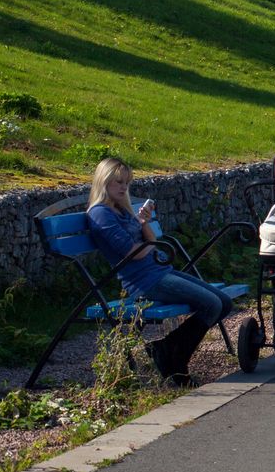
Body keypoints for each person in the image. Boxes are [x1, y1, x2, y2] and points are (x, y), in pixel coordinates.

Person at [85, 158, 232, 386]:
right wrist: (147, 242)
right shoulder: (100, 214)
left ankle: (164, 348)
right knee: (212, 304)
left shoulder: (121, 211)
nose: (123, 187)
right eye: (117, 182)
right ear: (103, 182)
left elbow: (150, 241)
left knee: (224, 302)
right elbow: (133, 252)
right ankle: (175, 362)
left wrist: (142, 221)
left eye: (126, 182)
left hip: (159, 271)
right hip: (144, 282)